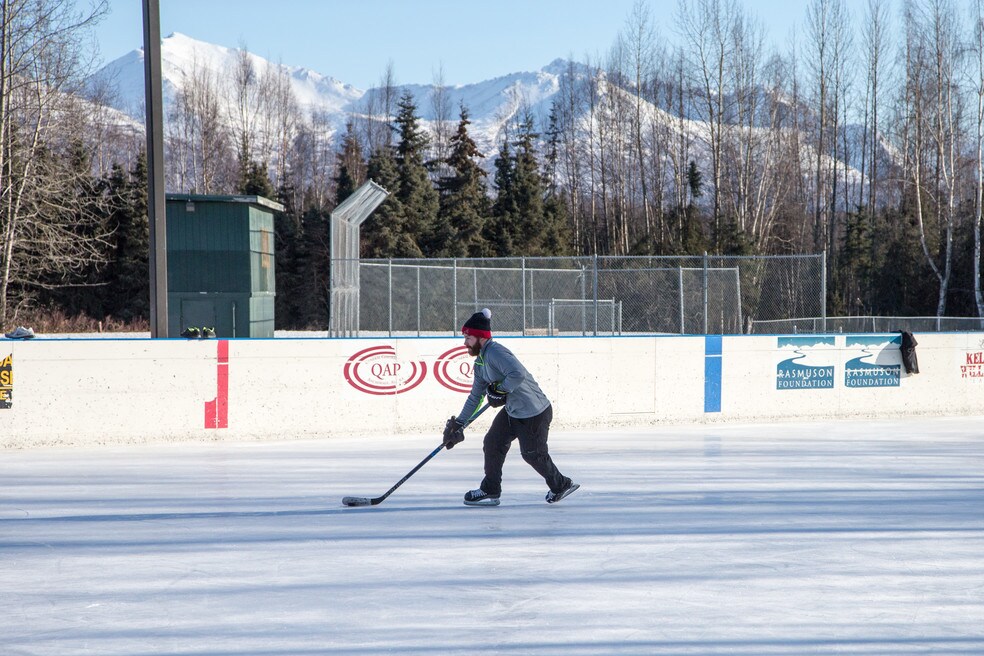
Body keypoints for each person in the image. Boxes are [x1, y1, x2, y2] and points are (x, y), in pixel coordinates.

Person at [442, 308, 579, 506]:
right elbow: (475, 397)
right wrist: (460, 424)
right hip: (513, 412)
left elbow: (517, 373)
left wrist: (500, 389)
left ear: (481, 337)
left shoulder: (496, 352)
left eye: (468, 338)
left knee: (532, 454)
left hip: (533, 412)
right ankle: (490, 489)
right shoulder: (480, 363)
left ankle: (561, 485)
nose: (465, 343)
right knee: (492, 443)